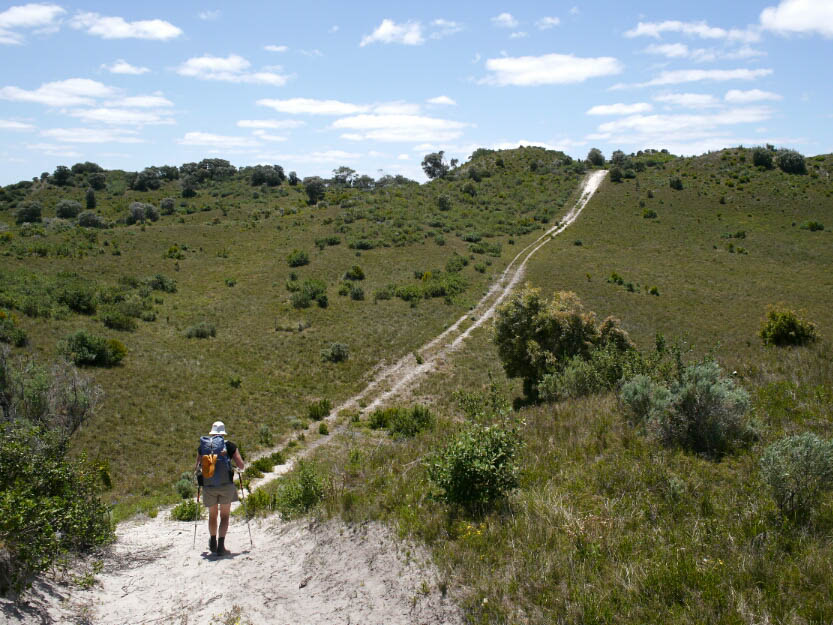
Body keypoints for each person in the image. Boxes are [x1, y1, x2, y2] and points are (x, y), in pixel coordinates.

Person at [196, 421, 244, 556]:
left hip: (209, 486)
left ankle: (212, 541)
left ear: (212, 432)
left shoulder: (203, 447)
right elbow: (241, 465)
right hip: (226, 485)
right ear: (223, 433)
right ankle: (221, 546)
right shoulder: (229, 445)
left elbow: (197, 468)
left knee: (212, 515)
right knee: (224, 516)